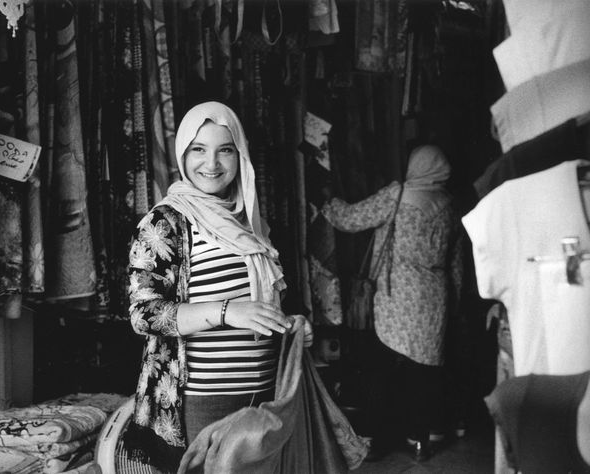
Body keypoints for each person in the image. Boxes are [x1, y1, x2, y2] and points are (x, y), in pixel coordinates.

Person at [123, 101, 302, 472]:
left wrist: (291, 326)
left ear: (241, 154)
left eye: (225, 150)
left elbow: (265, 304)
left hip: (263, 395)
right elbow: (144, 314)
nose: (212, 163)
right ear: (182, 154)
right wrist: (226, 311)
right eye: (198, 150)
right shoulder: (166, 221)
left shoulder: (250, 220)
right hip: (203, 399)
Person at [317, 145, 463, 461]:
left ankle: (376, 440)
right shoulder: (451, 207)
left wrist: (330, 202)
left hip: (396, 299)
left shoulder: (398, 196)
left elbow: (352, 219)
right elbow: (456, 265)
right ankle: (421, 438)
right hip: (434, 299)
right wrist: (455, 302)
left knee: (381, 369)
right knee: (424, 372)